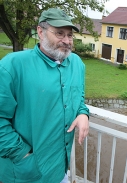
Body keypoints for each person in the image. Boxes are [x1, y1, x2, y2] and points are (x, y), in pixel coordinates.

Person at [0, 8, 89, 183]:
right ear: (40, 32)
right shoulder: (13, 65)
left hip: (59, 169)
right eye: (59, 33)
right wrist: (23, 155)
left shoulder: (77, 64)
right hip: (24, 173)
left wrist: (83, 113)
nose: (66, 40)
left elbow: (79, 96)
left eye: (70, 35)